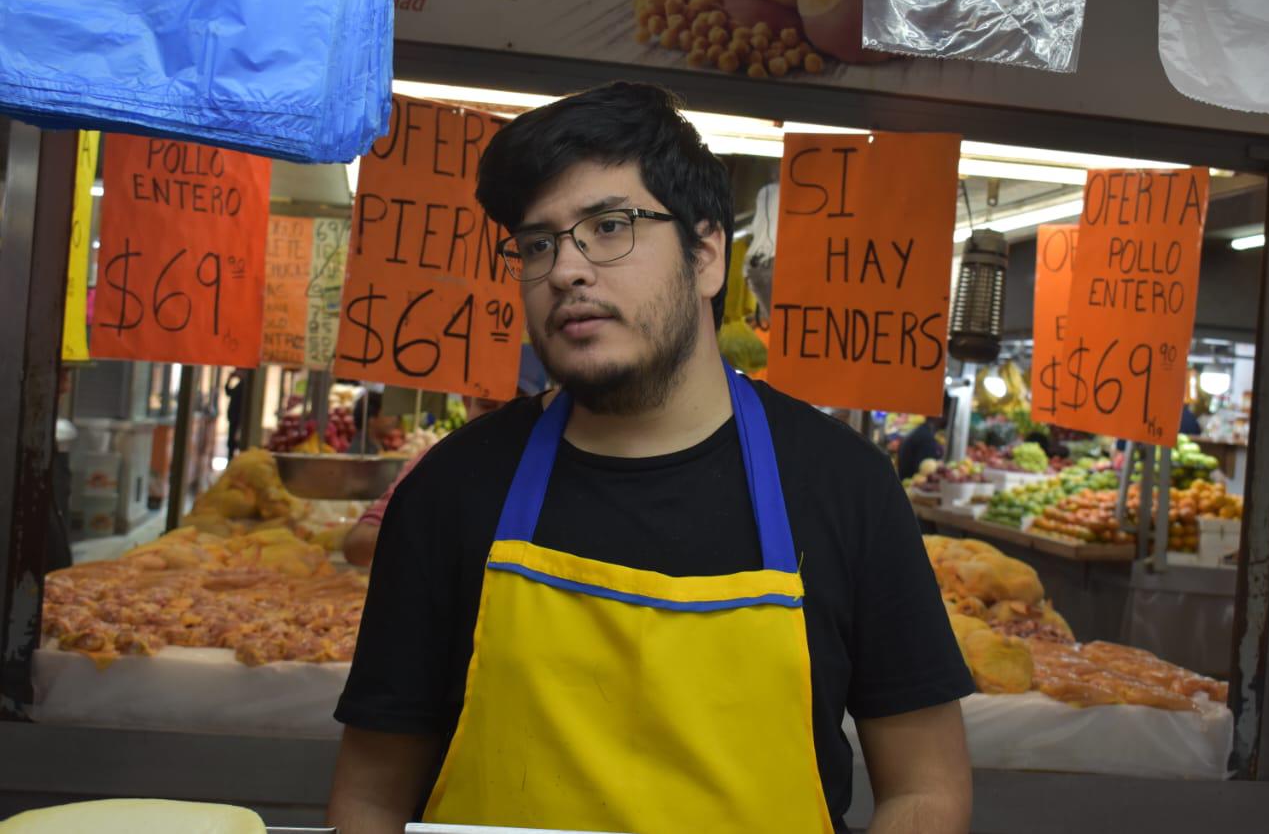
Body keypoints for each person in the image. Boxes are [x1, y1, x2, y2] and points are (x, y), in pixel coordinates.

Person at [328, 83, 973, 834]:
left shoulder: (846, 486)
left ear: (706, 255)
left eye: (609, 227)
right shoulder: (450, 490)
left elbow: (925, 789)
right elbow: (371, 797)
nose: (565, 270)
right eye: (537, 244)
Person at [341, 348, 549, 567]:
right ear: (467, 403)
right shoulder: (435, 462)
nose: (500, 418)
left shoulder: (553, 474)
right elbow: (356, 546)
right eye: (486, 406)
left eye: (517, 406)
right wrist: (427, 525)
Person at [897, 396, 953, 481]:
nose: (948, 418)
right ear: (941, 413)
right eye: (947, 413)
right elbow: (927, 475)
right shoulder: (926, 439)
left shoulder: (921, 432)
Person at [346, 388, 400, 455]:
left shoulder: (379, 445)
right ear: (371, 418)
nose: (394, 419)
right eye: (388, 414)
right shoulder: (360, 452)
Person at [224, 369, 246, 460]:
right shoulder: (240, 384)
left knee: (234, 441)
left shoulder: (245, 385)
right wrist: (229, 379)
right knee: (232, 441)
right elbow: (228, 392)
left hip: (238, 418)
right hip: (234, 417)